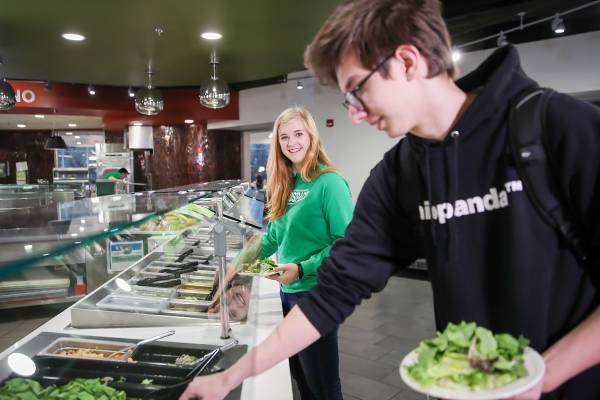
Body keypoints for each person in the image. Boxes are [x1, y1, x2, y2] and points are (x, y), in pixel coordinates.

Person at [180, 1, 600, 399]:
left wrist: (539, 379)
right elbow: (335, 291)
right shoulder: (400, 173)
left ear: (407, 61)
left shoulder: (559, 128)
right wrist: (230, 377)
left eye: (357, 90)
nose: (355, 113)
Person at [264, 106, 352, 399]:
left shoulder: (330, 182)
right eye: (284, 137)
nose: (292, 143)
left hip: (316, 294)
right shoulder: (288, 183)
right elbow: (275, 236)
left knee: (323, 386)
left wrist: (302, 269)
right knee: (302, 379)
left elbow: (346, 244)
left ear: (312, 136)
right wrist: (238, 260)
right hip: (288, 294)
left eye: (298, 134)